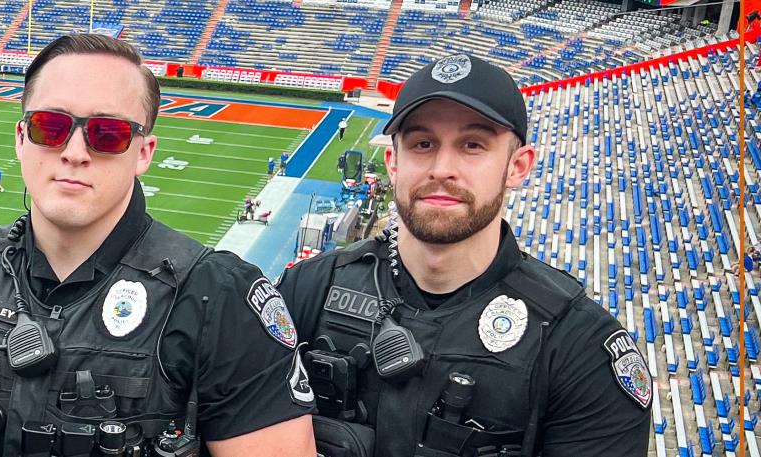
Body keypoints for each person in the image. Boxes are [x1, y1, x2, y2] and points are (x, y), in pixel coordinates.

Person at [0, 34, 314, 457]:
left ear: (143, 153)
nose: (75, 152)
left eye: (108, 133)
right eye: (51, 127)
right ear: (21, 138)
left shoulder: (218, 297)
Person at [275, 54, 649, 457]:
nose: (442, 168)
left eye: (473, 145)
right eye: (423, 144)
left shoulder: (579, 348)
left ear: (517, 167)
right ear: (393, 162)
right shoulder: (310, 288)